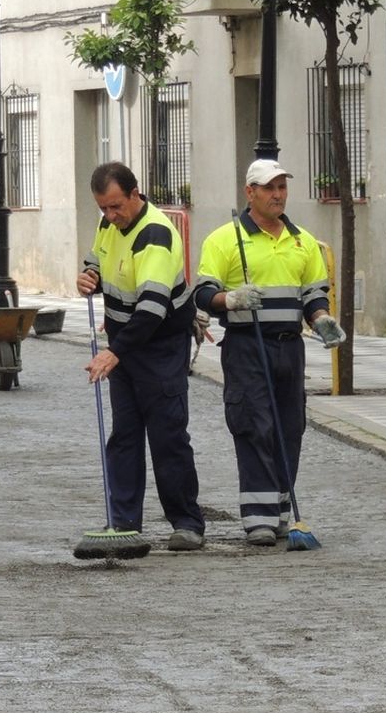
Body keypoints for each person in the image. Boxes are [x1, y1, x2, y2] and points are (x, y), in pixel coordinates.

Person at [194, 158, 344, 546]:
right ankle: (257, 518)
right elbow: (204, 294)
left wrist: (321, 319)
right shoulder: (224, 240)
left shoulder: (302, 241)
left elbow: (314, 294)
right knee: (253, 425)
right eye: (269, 188)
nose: (278, 195)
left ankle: (279, 512)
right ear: (250, 192)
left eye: (282, 187)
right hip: (247, 346)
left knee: (289, 428)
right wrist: (230, 299)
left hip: (289, 348)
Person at [77, 162, 206, 552]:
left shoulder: (155, 235)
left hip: (160, 344)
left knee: (167, 435)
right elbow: (97, 260)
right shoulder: (108, 224)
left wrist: (113, 353)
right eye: (103, 208)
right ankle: (123, 521)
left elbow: (151, 309)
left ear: (135, 194)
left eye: (116, 206)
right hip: (125, 343)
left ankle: (187, 523)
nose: (110, 215)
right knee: (125, 434)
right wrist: (88, 277)